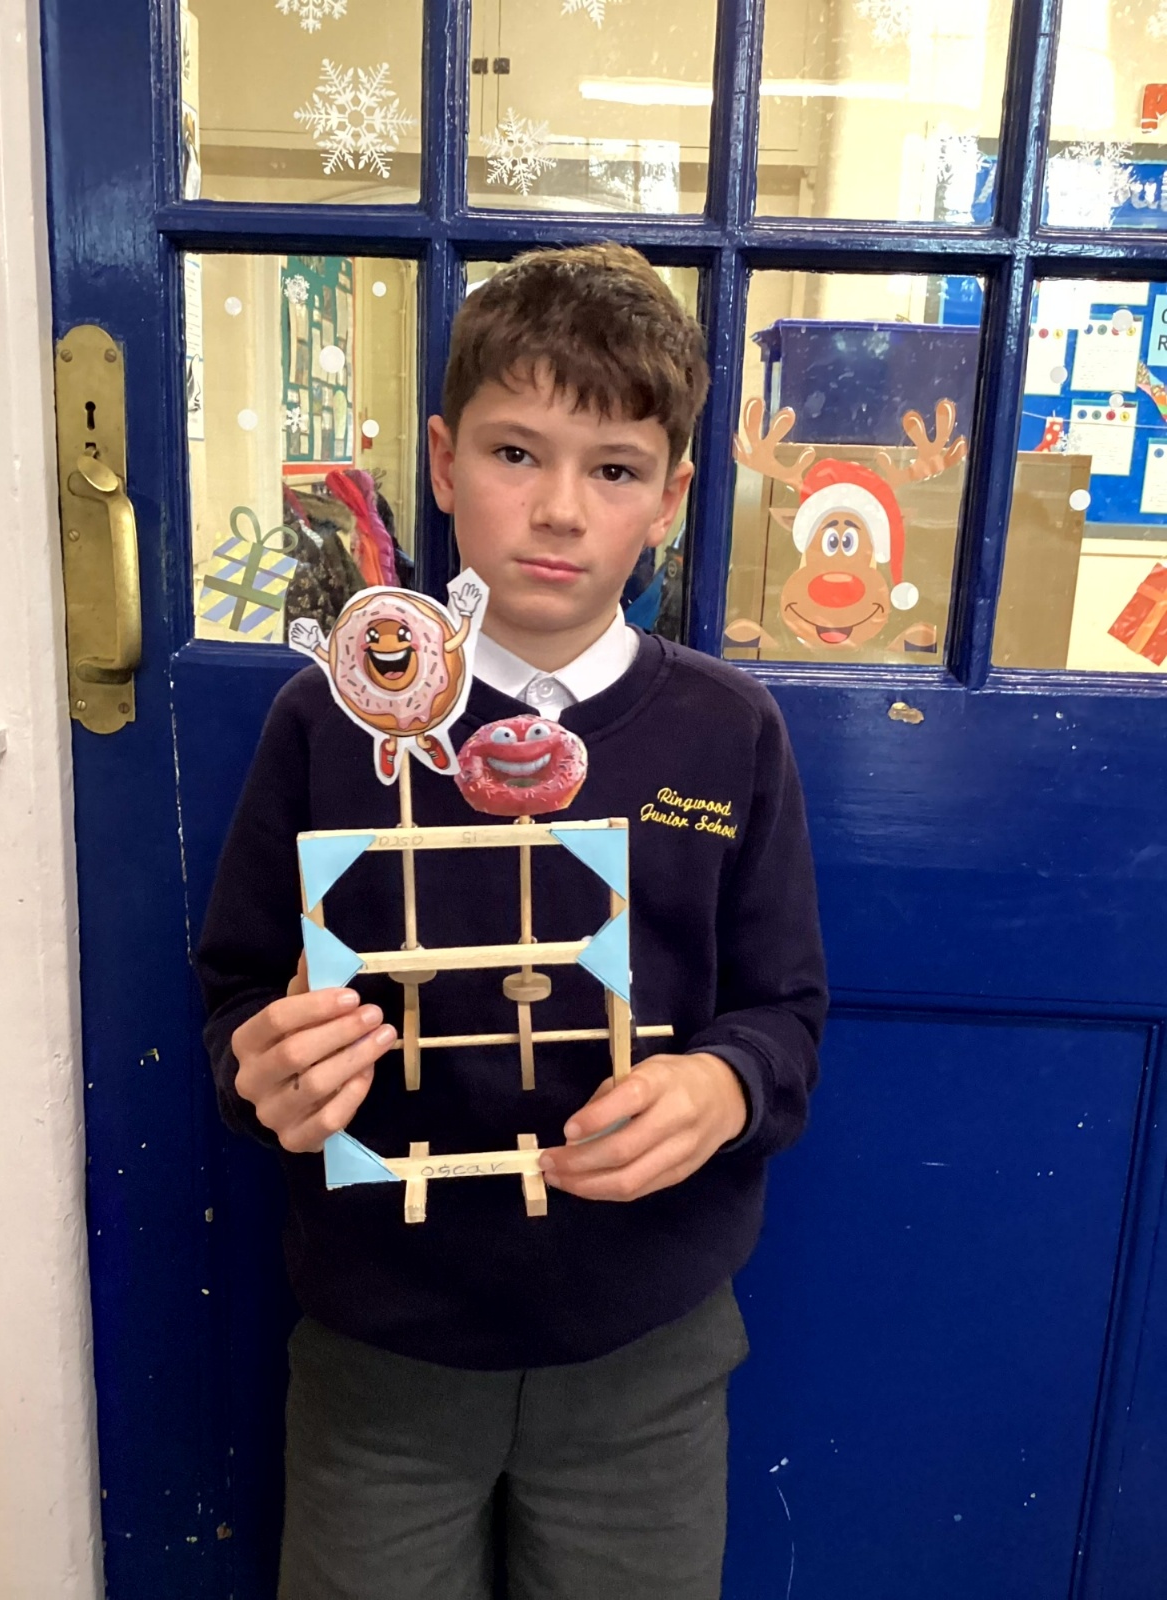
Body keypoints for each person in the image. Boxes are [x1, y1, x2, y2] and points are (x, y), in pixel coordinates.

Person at [196, 243, 828, 1600]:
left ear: (672, 498)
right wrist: (264, 1074)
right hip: (382, 1349)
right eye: (514, 452)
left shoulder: (727, 731)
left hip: (644, 1349)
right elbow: (238, 991)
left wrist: (725, 1087)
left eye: (615, 469)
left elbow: (786, 1012)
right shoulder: (330, 718)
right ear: (442, 462)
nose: (558, 510)